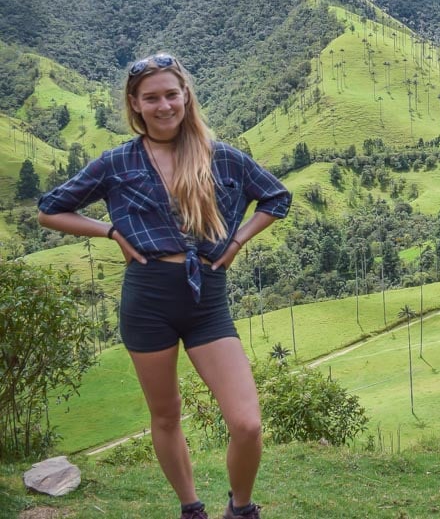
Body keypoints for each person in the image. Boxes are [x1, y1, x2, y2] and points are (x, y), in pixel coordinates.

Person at [38, 53, 291, 519]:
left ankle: (240, 509)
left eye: (171, 94)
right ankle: (191, 508)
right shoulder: (118, 162)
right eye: (151, 97)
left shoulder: (221, 156)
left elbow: (276, 196)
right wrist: (110, 232)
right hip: (147, 298)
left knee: (247, 423)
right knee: (166, 414)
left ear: (185, 95)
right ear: (135, 104)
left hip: (207, 301)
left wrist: (237, 240)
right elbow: (51, 207)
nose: (163, 105)